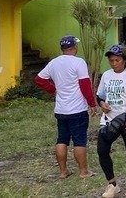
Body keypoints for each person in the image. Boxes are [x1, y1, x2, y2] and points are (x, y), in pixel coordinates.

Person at [34, 35, 96, 179]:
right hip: (77, 109)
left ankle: (63, 171)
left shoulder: (54, 63)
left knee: (62, 140)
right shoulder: (78, 62)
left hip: (61, 109)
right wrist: (92, 103)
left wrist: (53, 89)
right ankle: (83, 171)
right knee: (79, 140)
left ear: (62, 48)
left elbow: (39, 79)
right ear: (75, 47)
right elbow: (85, 85)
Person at [96, 45, 126, 198]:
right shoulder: (106, 75)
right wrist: (102, 103)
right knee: (102, 150)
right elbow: (100, 95)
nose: (114, 63)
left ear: (124, 60)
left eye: (117, 60)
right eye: (111, 60)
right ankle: (112, 184)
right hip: (109, 119)